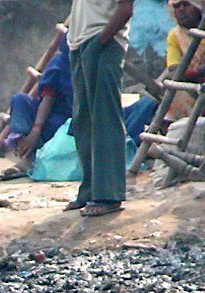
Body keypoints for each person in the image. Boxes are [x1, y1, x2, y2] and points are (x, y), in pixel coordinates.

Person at [66, 0, 134, 217]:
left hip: (104, 42)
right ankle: (89, 190)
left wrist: (101, 40)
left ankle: (109, 195)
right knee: (83, 122)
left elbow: (125, 9)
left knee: (105, 118)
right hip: (80, 44)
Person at [0, 36, 74, 180]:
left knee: (57, 123)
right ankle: (26, 156)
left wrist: (36, 131)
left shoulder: (87, 65)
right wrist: (35, 130)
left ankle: (31, 160)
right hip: (45, 116)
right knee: (20, 100)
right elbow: (48, 97)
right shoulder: (59, 64)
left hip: (67, 123)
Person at [165, 0, 205, 121]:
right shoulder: (175, 35)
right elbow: (173, 68)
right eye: (177, 6)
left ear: (198, 6)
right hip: (191, 84)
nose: (181, 10)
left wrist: (196, 71)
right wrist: (190, 74)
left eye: (186, 4)